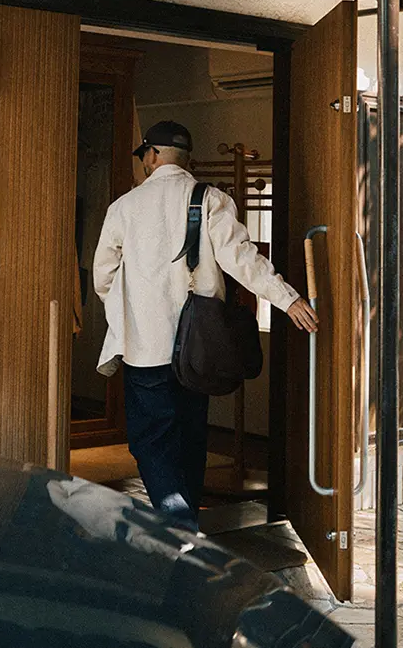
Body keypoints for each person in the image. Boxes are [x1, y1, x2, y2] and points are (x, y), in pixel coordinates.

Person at [93, 119, 318, 528]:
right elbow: (242, 260)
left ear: (152, 155)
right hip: (198, 350)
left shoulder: (125, 207)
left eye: (145, 155)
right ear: (186, 158)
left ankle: (181, 528)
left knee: (151, 443)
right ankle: (187, 527)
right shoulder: (211, 199)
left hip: (145, 349)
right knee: (192, 439)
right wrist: (289, 300)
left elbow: (102, 277)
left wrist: (131, 309)